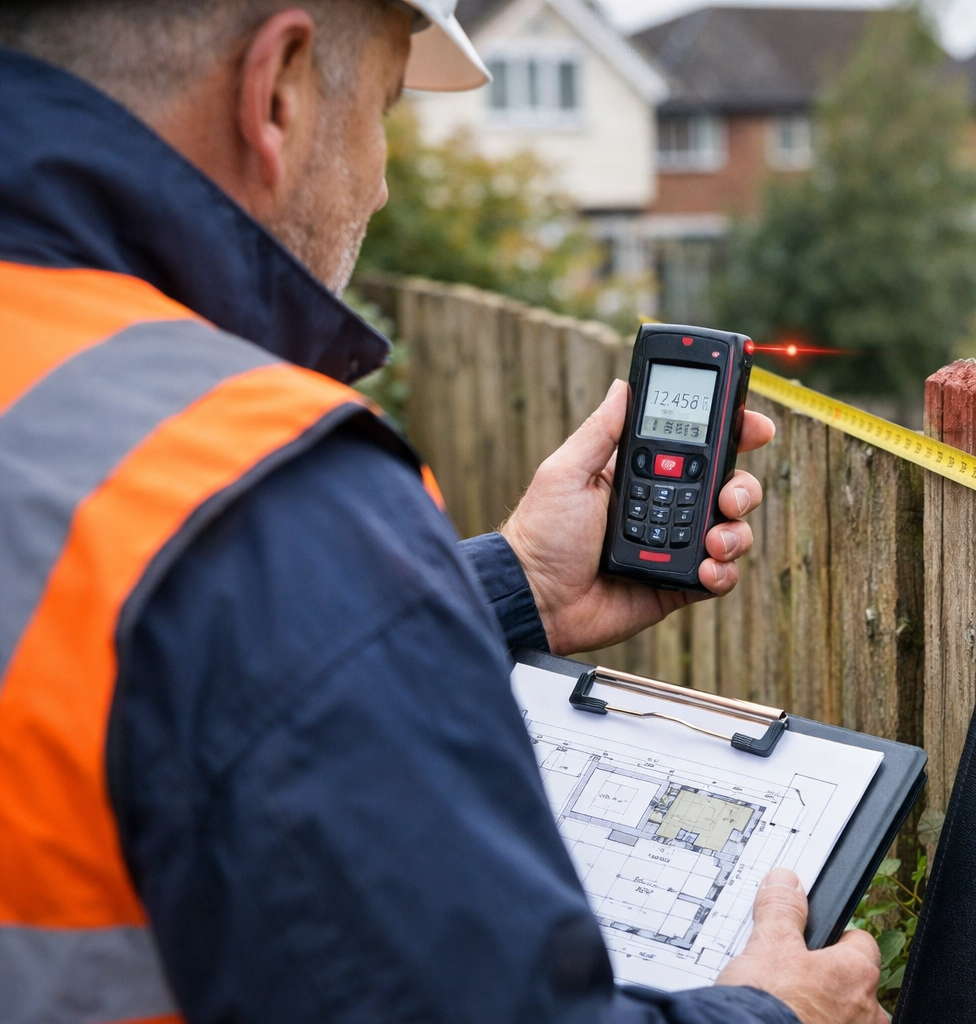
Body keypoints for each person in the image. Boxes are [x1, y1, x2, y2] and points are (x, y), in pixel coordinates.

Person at [0, 2, 886, 1023]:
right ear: (277, 88)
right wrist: (778, 1012)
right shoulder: (257, 501)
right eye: (381, 108)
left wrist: (514, 582)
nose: (378, 180)